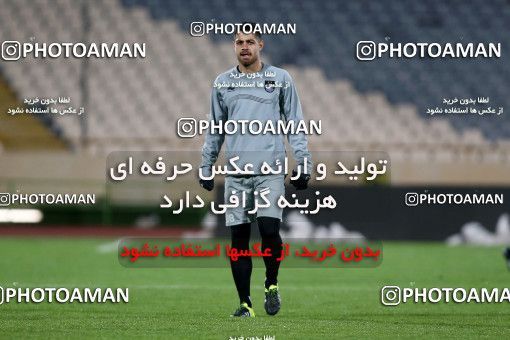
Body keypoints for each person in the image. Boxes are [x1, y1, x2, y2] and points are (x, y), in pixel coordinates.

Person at [199, 23, 312, 317]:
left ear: (261, 44)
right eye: (239, 42)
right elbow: (215, 128)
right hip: (236, 174)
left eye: (250, 41)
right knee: (238, 240)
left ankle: (271, 284)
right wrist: (206, 166)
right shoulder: (223, 83)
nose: (244, 46)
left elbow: (295, 123)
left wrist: (304, 164)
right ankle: (245, 303)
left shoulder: (280, 79)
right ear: (234, 47)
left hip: (270, 171)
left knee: (268, 229)